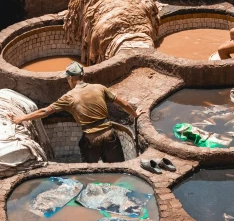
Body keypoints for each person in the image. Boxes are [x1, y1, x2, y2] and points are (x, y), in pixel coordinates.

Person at [10, 62, 139, 163]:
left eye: (67, 79)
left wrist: (20, 119)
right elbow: (124, 103)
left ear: (70, 78)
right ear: (83, 75)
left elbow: (45, 111)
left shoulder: (69, 96)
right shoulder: (99, 87)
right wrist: (136, 114)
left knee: (89, 176)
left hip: (91, 140)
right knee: (118, 171)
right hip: (110, 136)